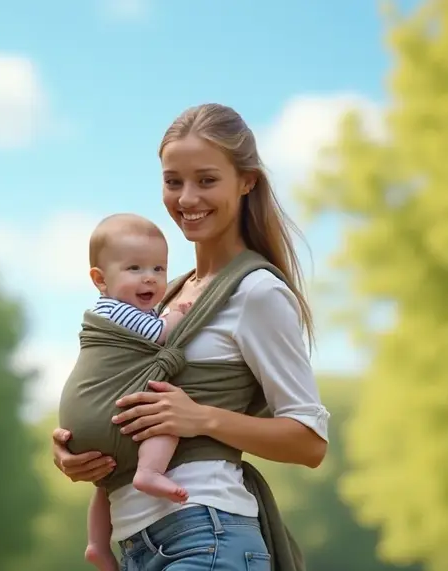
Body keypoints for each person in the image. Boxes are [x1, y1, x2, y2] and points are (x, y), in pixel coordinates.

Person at [52, 102, 330, 571]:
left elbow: (309, 441)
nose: (186, 198)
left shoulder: (256, 292)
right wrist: (76, 451)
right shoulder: (164, 297)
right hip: (137, 543)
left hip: (206, 534)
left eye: (206, 180)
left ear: (246, 182)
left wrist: (200, 418)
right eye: (173, 181)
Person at [82, 213, 193, 571]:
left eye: (159, 269)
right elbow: (159, 334)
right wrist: (177, 315)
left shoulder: (111, 309)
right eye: (134, 268)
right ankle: (150, 470)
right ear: (100, 279)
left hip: (89, 416)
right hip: (111, 407)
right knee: (166, 417)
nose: (150, 278)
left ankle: (97, 544)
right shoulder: (118, 312)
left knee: (107, 482)